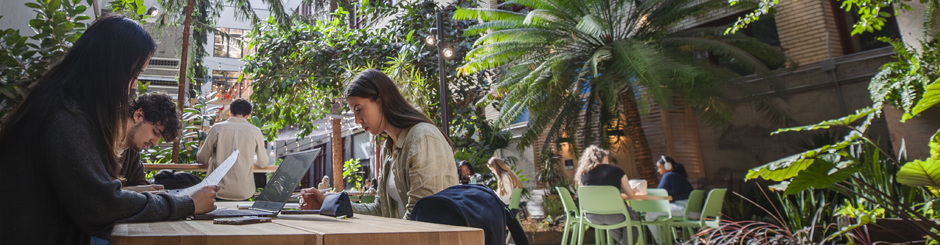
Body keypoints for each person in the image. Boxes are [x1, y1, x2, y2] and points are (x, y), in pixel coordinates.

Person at [0, 15, 218, 244]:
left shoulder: (60, 104)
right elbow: (102, 207)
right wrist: (188, 203)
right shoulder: (66, 118)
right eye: (133, 75)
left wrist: (127, 194)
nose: (133, 85)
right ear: (111, 68)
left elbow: (96, 197)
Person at [301, 69, 459, 219]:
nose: (357, 121)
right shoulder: (388, 148)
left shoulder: (423, 137)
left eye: (359, 109)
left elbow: (421, 216)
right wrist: (327, 203)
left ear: (380, 101)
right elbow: (380, 209)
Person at [197, 98, 270, 200]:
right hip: (244, 191)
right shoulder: (255, 131)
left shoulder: (217, 129)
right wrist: (251, 159)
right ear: (248, 115)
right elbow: (263, 162)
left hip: (217, 190)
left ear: (230, 113)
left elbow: (202, 158)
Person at [115, 92, 182, 193]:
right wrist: (130, 191)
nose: (155, 143)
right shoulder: (96, 142)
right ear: (138, 115)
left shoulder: (132, 151)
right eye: (155, 132)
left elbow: (141, 186)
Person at [574, 145, 639, 245]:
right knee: (632, 217)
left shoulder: (583, 174)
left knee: (613, 220)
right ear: (606, 158)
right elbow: (630, 195)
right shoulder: (617, 171)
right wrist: (634, 190)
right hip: (617, 216)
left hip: (592, 216)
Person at [646, 155, 695, 244]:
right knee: (656, 215)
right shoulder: (678, 176)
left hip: (683, 208)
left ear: (667, 166)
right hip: (692, 209)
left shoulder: (668, 176)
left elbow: (659, 193)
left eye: (659, 168)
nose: (658, 170)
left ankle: (662, 242)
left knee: (649, 215)